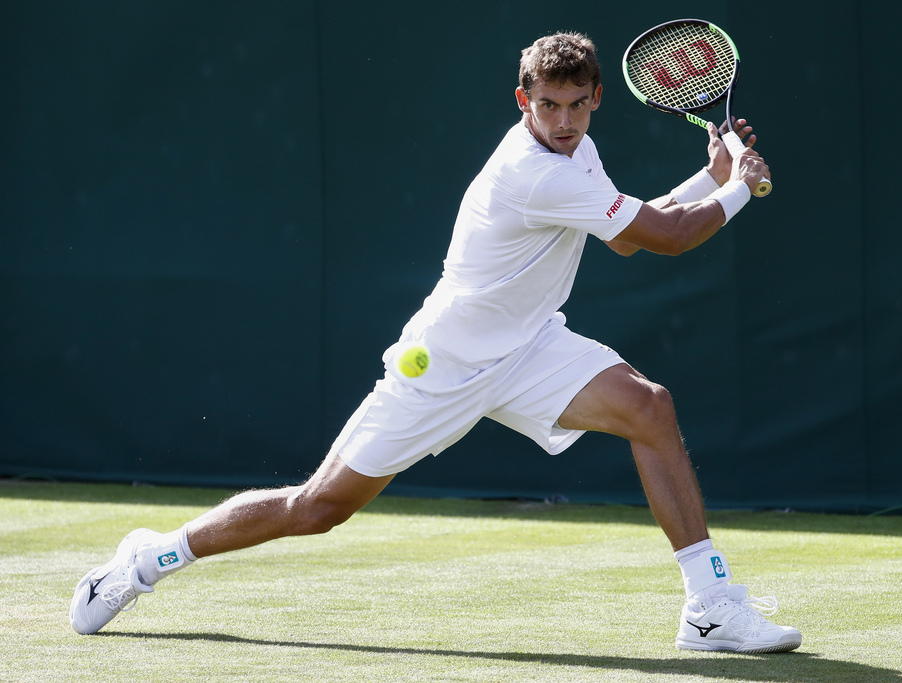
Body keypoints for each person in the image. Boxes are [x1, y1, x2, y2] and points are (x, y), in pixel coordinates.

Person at [70, 32, 800, 654]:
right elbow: (663, 240)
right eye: (548, 104)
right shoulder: (531, 170)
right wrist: (737, 189)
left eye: (578, 104)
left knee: (649, 406)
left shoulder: (577, 153)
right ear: (524, 101)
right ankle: (149, 558)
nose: (565, 119)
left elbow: (631, 225)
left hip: (529, 347)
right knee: (317, 507)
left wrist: (709, 174)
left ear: (597, 98)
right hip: (445, 364)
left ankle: (710, 608)